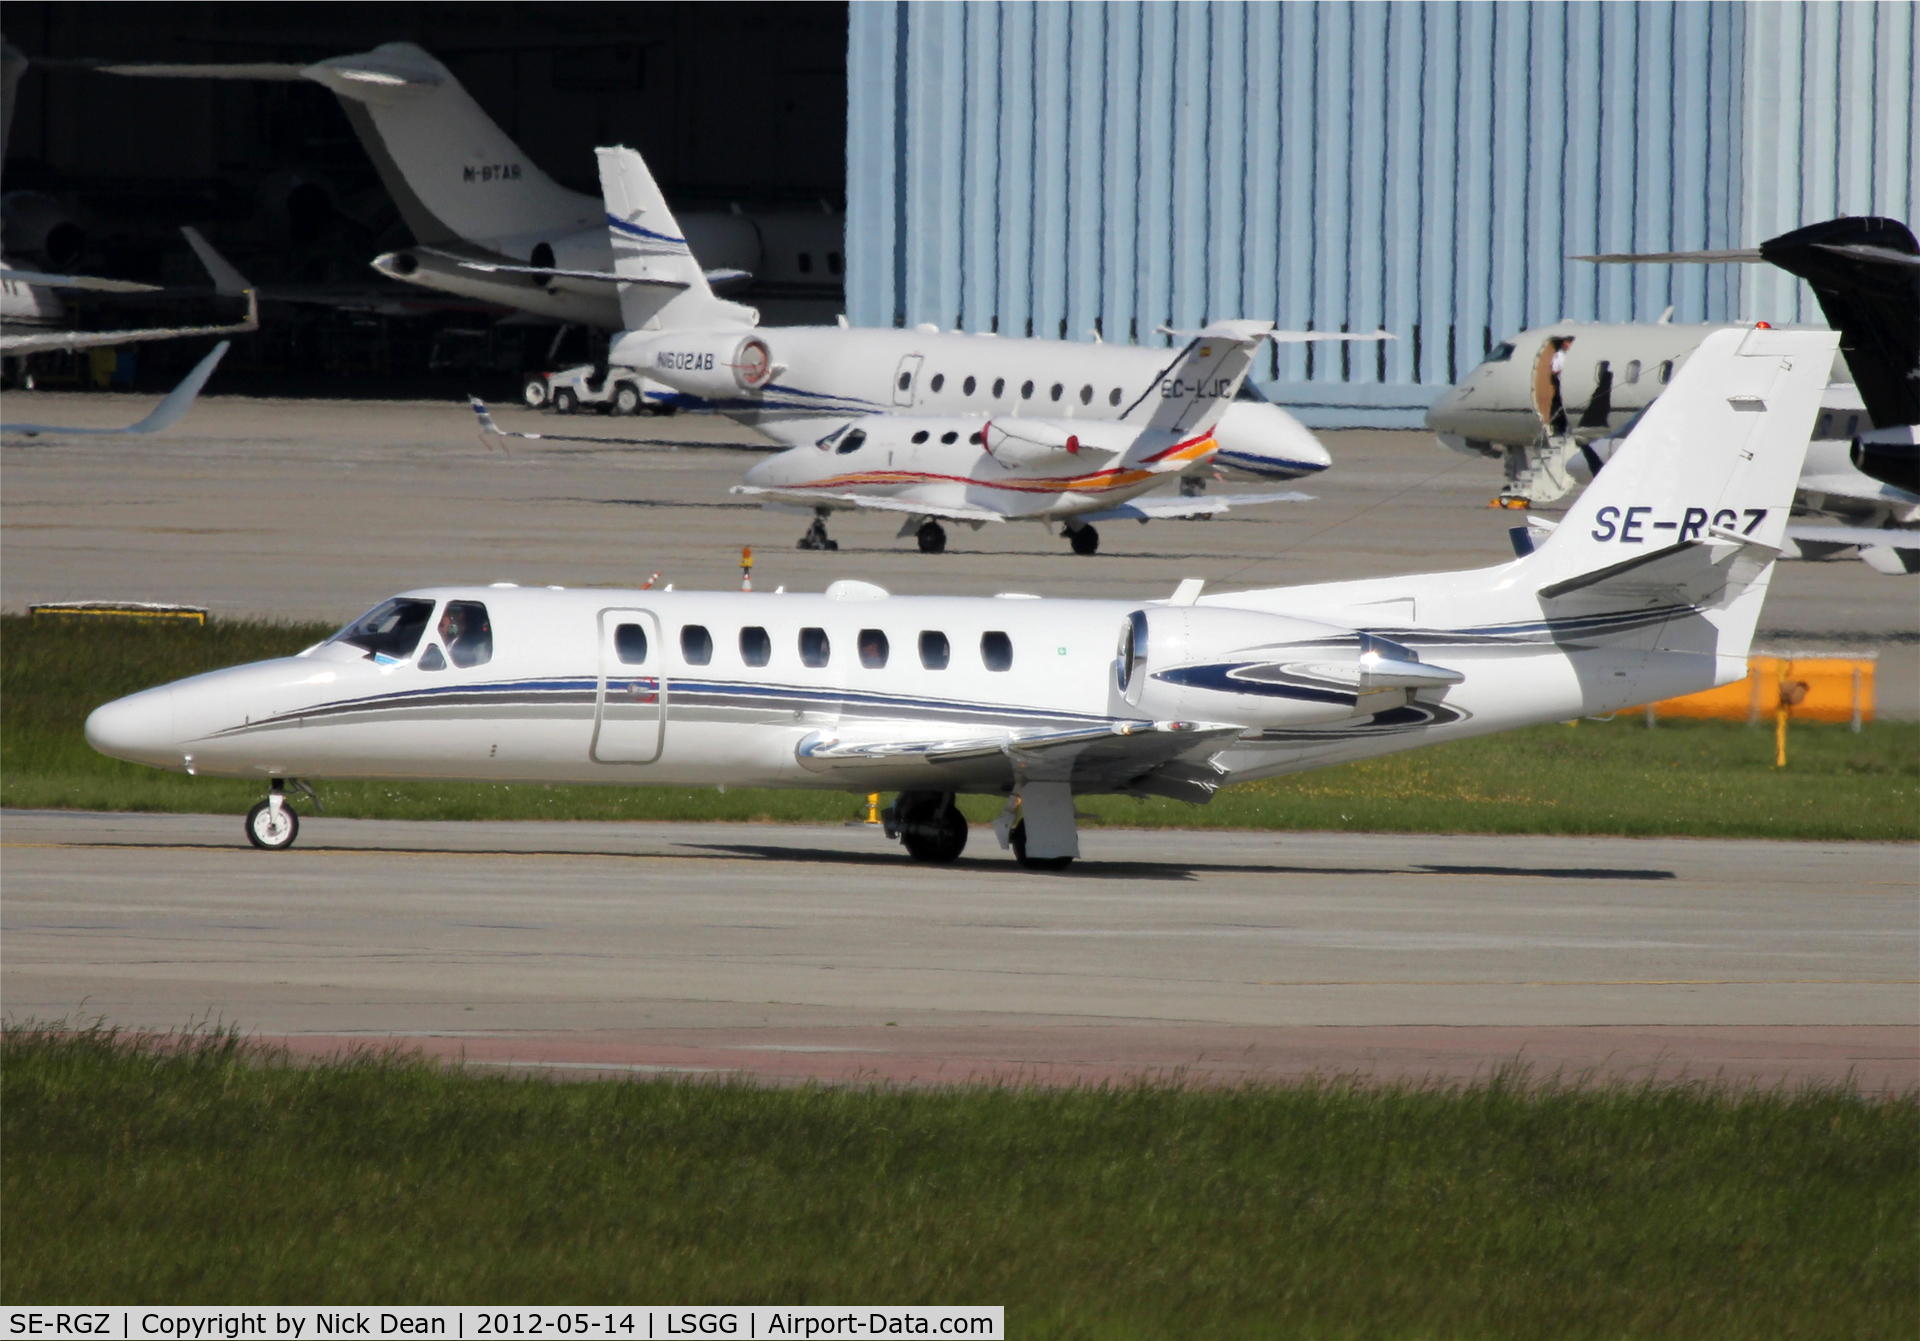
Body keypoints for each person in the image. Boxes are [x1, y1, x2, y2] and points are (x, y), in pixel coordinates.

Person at [1548, 336, 1574, 435]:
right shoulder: (1558, 356)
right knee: (1559, 405)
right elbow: (1554, 371)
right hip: (1561, 384)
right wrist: (1563, 371)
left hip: (1571, 385)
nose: (1568, 346)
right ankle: (1559, 428)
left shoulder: (1572, 355)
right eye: (1567, 343)